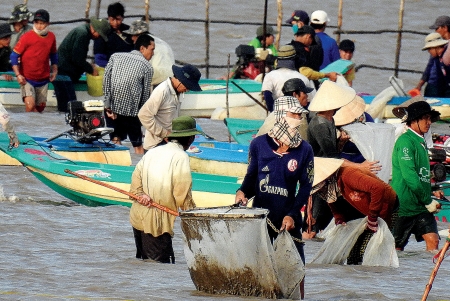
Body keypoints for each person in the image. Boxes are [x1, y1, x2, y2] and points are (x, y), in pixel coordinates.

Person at [235, 104, 314, 300]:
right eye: (293, 114)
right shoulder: (258, 144)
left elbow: (305, 187)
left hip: (289, 219)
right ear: (279, 116)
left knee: (296, 268)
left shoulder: (305, 149)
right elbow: (252, 177)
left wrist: (293, 214)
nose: (298, 118)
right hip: (261, 217)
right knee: (259, 267)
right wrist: (242, 192)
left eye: (300, 114)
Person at [304, 81, 380, 238]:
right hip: (319, 177)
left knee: (339, 220)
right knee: (312, 227)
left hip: (330, 176)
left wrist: (341, 142)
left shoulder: (329, 120)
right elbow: (332, 158)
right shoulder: (320, 124)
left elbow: (332, 152)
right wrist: (360, 167)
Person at [129, 116, 199, 263]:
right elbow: (182, 193)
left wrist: (141, 194)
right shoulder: (181, 157)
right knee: (159, 267)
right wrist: (193, 216)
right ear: (191, 139)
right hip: (156, 223)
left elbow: (136, 179)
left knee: (145, 264)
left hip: (138, 216)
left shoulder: (153, 151)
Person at [312, 157, 398, 265]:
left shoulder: (348, 175)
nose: (321, 192)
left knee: (369, 250)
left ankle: (376, 278)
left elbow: (378, 188)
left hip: (386, 207)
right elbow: (331, 199)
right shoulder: (332, 185)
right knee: (354, 254)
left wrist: (373, 218)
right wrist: (339, 217)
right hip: (366, 209)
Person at [392, 101, 443, 252]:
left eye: (430, 118)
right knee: (396, 250)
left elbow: (423, 176)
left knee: (433, 241)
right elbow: (410, 177)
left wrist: (431, 192)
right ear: (414, 120)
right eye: (425, 118)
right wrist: (428, 200)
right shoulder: (405, 141)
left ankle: (425, 275)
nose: (429, 123)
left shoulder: (421, 141)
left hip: (420, 207)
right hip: (403, 206)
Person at [103, 34, 155, 154]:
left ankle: (117, 167)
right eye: (152, 50)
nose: (153, 54)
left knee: (116, 141)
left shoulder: (115, 57)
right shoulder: (147, 67)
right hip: (131, 113)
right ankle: (140, 169)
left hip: (111, 109)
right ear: (142, 48)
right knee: (138, 146)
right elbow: (145, 95)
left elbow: (106, 82)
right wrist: (142, 117)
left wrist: (107, 105)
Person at [52, 17, 110, 112]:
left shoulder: (83, 32)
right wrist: (91, 70)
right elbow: (77, 59)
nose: (99, 37)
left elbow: (77, 56)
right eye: (100, 34)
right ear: (95, 30)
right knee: (69, 108)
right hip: (63, 74)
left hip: (64, 73)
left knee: (69, 108)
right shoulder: (82, 34)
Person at [138, 64, 202, 150]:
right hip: (156, 144)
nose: (187, 90)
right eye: (187, 86)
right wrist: (165, 134)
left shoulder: (177, 91)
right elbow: (143, 115)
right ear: (180, 80)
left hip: (169, 142)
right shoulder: (162, 91)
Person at [10, 9, 57, 113]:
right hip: (27, 78)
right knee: (30, 106)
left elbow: (53, 55)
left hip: (43, 79)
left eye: (42, 23)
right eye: (36, 23)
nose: (39, 26)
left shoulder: (52, 37)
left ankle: (35, 128)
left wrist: (54, 71)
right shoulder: (27, 37)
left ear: (47, 24)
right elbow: (14, 56)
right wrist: (18, 75)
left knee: (40, 109)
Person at [261, 44, 315, 112]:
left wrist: (272, 111)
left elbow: (267, 95)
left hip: (276, 113)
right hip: (298, 115)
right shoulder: (303, 78)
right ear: (294, 60)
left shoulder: (270, 76)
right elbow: (308, 101)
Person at [123, 19, 176, 86]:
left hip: (156, 80)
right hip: (172, 79)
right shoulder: (161, 42)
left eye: (132, 35)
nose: (132, 39)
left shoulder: (144, 45)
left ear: (137, 35)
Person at [94, 2, 133, 68]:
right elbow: (99, 59)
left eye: (118, 19)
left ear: (123, 18)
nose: (115, 23)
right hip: (109, 67)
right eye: (112, 19)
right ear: (108, 18)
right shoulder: (103, 33)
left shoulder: (130, 31)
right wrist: (115, 67)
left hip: (130, 66)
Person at [414, 32, 450, 97]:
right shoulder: (438, 57)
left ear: (435, 47)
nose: (429, 51)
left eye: (429, 49)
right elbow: (428, 69)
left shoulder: (446, 58)